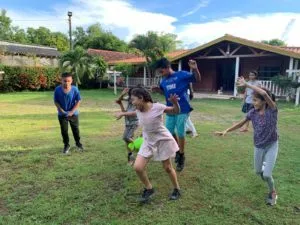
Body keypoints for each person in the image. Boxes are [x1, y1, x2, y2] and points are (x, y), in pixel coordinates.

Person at [215, 76, 278, 206]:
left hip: (272, 145)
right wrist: (226, 130)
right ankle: (264, 168)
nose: (253, 103)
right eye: (253, 100)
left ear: (264, 101)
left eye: (255, 100)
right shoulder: (252, 113)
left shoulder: (272, 110)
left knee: (266, 175)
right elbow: (240, 124)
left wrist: (247, 85)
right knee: (257, 172)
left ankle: (272, 192)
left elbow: (265, 93)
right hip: (259, 146)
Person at [115, 88, 181, 203]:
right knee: (138, 167)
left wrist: (175, 103)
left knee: (167, 168)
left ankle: (177, 189)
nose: (132, 102)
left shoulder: (157, 107)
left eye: (133, 100)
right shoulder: (138, 109)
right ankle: (149, 189)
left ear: (141, 98)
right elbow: (134, 113)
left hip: (162, 140)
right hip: (148, 141)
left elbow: (175, 111)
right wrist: (123, 113)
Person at [152, 57, 201, 171]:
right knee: (169, 132)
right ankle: (178, 150)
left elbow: (197, 79)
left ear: (168, 67)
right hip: (170, 109)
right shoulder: (163, 81)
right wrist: (157, 90)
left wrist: (195, 69)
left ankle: (181, 156)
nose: (161, 74)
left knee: (180, 132)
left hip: (183, 108)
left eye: (161, 71)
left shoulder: (182, 75)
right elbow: (165, 92)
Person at [54, 72, 83, 154]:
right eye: (64, 81)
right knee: (64, 131)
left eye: (68, 81)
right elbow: (56, 101)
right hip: (62, 115)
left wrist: (72, 111)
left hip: (73, 114)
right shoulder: (57, 90)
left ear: (71, 81)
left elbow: (78, 100)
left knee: (76, 130)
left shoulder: (75, 89)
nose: (66, 83)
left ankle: (78, 144)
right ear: (61, 81)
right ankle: (66, 145)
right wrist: (62, 111)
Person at [115, 87, 139, 165]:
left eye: (132, 96)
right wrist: (122, 95)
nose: (131, 98)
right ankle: (130, 157)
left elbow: (134, 113)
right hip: (128, 122)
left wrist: (122, 114)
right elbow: (119, 100)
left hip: (134, 123)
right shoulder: (129, 99)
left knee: (126, 137)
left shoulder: (138, 101)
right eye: (130, 95)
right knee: (127, 141)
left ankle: (140, 146)